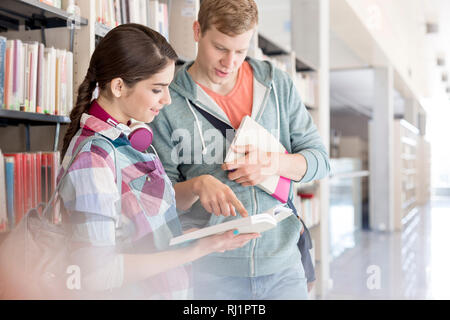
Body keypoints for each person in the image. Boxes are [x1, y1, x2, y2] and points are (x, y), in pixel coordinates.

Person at [58, 23, 259, 299]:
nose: (167, 99)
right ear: (118, 86)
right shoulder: (94, 159)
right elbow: (97, 274)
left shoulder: (128, 138)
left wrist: (201, 204)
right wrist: (198, 250)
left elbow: (148, 220)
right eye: (157, 89)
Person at [149, 0, 330, 300]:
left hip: (283, 267)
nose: (229, 62)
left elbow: (320, 161)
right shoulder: (169, 101)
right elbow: (162, 201)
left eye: (241, 51)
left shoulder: (276, 85)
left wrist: (273, 164)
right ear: (197, 31)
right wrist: (196, 185)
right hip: (212, 274)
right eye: (220, 48)